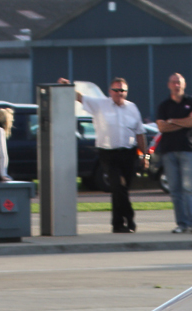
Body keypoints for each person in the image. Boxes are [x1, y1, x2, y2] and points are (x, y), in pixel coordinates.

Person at [62, 77, 146, 233]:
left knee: (121, 190)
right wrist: (68, 86)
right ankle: (130, 217)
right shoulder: (100, 104)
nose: (119, 93)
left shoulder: (132, 108)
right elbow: (80, 97)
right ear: (110, 91)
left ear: (126, 92)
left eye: (122, 90)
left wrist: (144, 156)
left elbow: (140, 133)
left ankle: (118, 224)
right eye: (116, 90)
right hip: (108, 153)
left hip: (128, 153)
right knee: (117, 186)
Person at [157, 73, 192, 234]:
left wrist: (172, 121)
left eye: (179, 82)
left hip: (188, 150)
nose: (176, 85)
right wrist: (184, 122)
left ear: (184, 85)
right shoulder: (164, 105)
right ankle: (181, 224)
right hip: (168, 151)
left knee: (190, 189)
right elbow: (161, 128)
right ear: (169, 85)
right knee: (175, 190)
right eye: (174, 82)